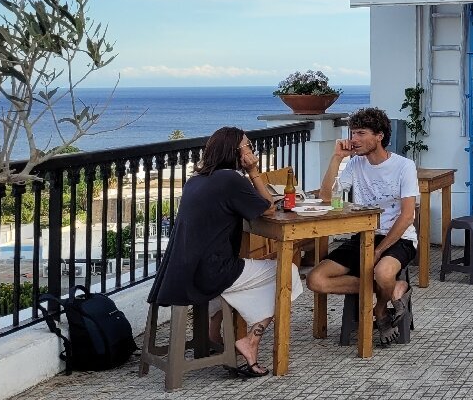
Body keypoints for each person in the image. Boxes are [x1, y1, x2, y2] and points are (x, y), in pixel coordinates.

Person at [148, 126, 302, 378]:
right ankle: (251, 340)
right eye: (249, 146)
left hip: (181, 271)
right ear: (237, 151)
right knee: (287, 272)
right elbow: (268, 209)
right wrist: (253, 172)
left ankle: (212, 336)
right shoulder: (230, 180)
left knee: (253, 269)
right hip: (210, 273)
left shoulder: (196, 180)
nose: (252, 150)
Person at [307, 107, 418, 339]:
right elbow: (327, 197)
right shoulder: (355, 164)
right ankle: (395, 291)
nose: (354, 140)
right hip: (363, 236)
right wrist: (337, 157)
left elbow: (407, 216)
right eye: (353, 133)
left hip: (399, 238)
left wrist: (378, 250)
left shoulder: (404, 166)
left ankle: (379, 311)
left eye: (361, 133)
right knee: (315, 279)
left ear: (379, 136)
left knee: (383, 272)